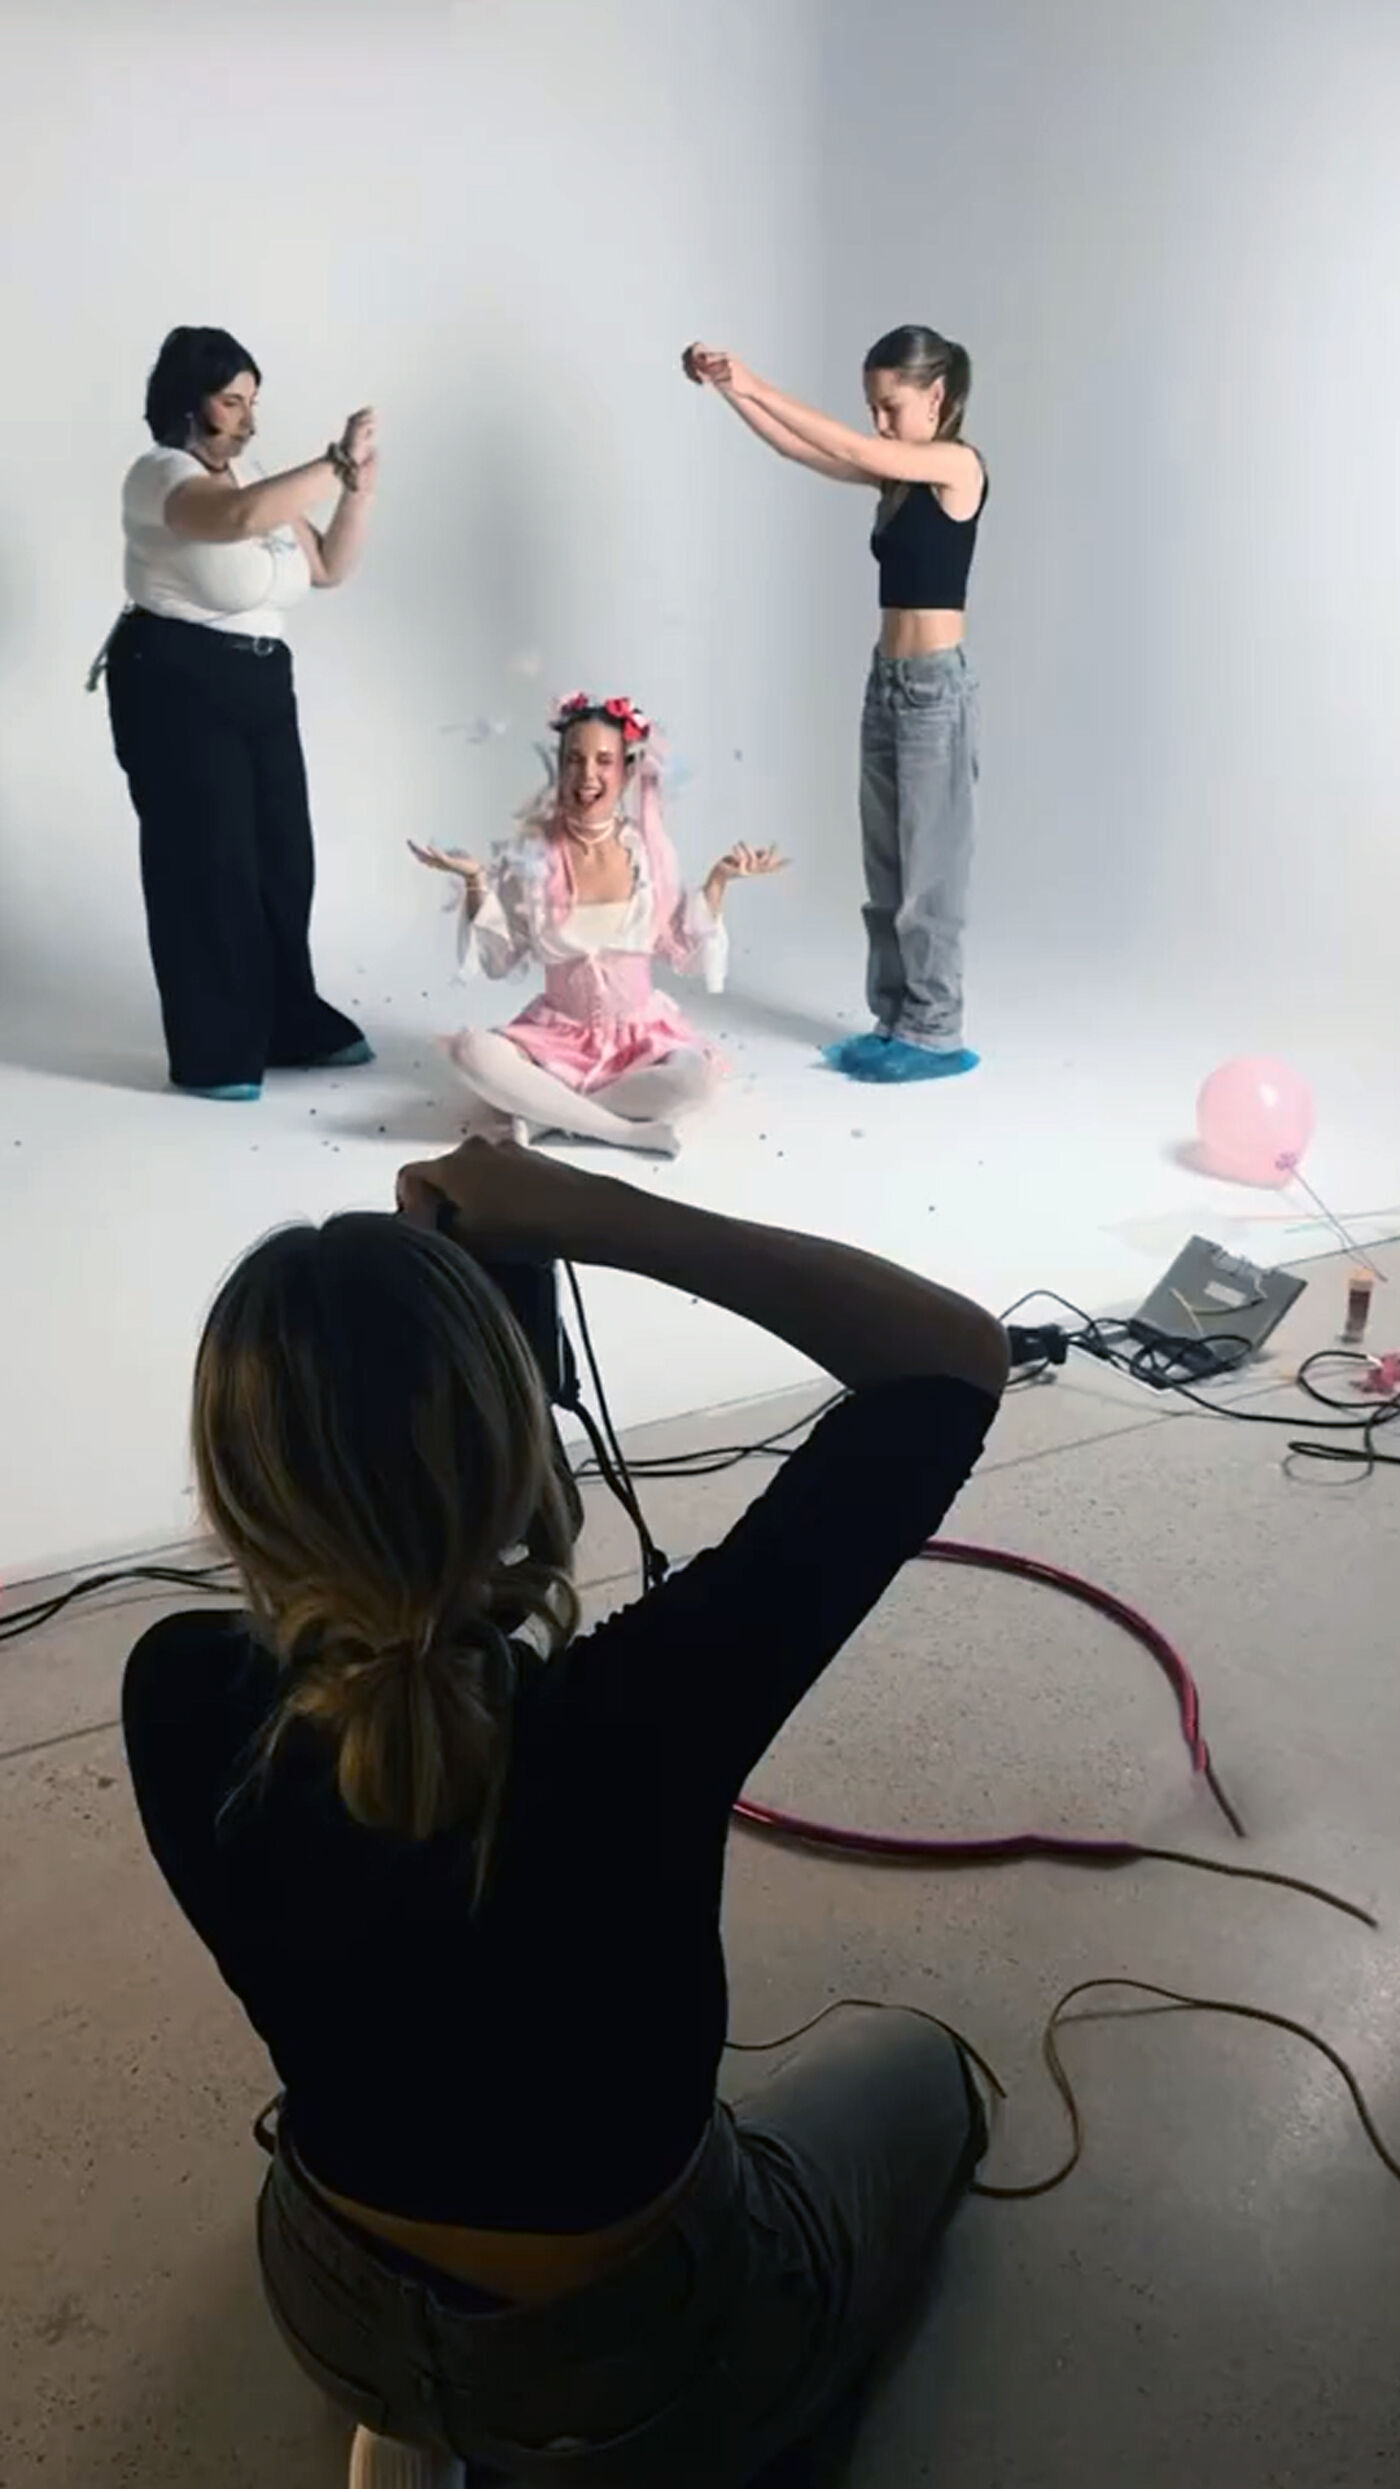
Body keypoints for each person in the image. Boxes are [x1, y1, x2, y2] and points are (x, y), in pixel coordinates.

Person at [121, 1136, 1008, 2489]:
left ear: (233, 1483)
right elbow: (951, 1360)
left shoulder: (175, 1693)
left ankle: (424, 2416)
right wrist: (593, 1212)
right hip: (646, 2355)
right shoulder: (651, 1708)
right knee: (925, 2071)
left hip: (332, 2298)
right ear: (521, 1445)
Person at [684, 329, 987, 1085]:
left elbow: (858, 449)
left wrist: (755, 378)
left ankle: (935, 1029)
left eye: (891, 406)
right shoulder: (894, 479)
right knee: (885, 868)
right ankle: (896, 1018)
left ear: (937, 398)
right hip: (886, 682)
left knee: (929, 876)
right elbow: (801, 450)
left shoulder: (956, 466)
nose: (880, 422)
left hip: (934, 691)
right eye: (872, 408)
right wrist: (731, 391)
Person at [97, 326, 378, 1101]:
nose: (247, 419)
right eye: (231, 401)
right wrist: (331, 464)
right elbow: (230, 521)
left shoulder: (253, 476)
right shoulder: (159, 475)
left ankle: (286, 1022)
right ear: (189, 402)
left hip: (259, 682)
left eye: (253, 402)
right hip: (176, 681)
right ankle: (215, 1050)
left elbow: (326, 569)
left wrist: (357, 489)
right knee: (207, 864)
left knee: (284, 860)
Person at [410, 692, 785, 1157]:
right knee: (473, 1053)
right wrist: (474, 881)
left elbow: (682, 953)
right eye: (575, 760)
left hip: (640, 1039)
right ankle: (625, 1132)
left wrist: (719, 881)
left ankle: (547, 1115)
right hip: (556, 1040)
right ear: (560, 769)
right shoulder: (531, 855)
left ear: (626, 773)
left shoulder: (647, 853)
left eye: (604, 761)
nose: (588, 776)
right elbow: (500, 960)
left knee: (698, 1082)